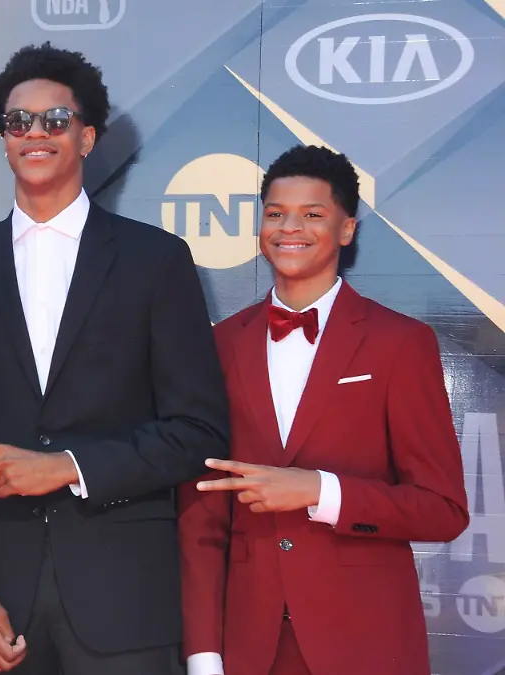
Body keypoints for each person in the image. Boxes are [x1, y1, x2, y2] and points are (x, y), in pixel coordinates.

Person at [0, 42, 229, 675]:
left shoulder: (157, 261)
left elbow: (196, 432)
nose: (36, 134)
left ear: (87, 137)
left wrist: (67, 466)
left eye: (55, 120)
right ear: (4, 138)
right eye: (19, 122)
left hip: (125, 603)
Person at [177, 145, 470, 675]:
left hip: (366, 641)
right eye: (275, 214)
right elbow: (201, 511)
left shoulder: (401, 343)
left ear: (347, 229)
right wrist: (203, 653)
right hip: (247, 642)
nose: (291, 227)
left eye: (313, 214)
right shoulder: (216, 345)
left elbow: (442, 509)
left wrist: (320, 490)